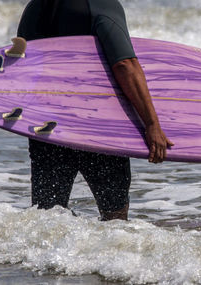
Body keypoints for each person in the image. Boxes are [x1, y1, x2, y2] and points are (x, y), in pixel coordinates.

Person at [16, 0, 173, 220]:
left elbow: (23, 65)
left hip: (46, 128)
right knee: (115, 218)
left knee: (47, 216)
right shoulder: (102, 4)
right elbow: (124, 64)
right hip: (97, 127)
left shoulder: (35, 7)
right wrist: (151, 124)